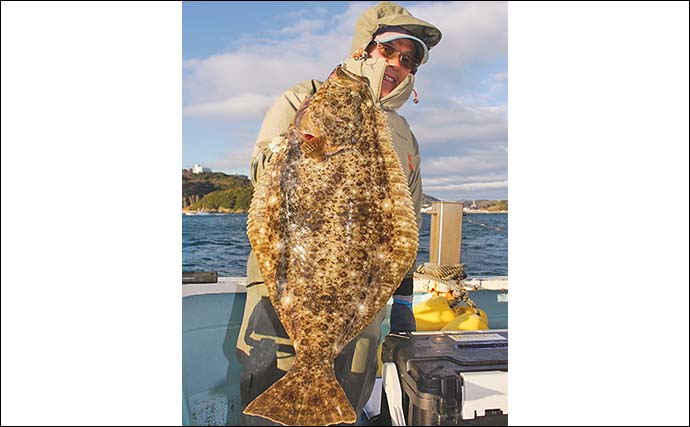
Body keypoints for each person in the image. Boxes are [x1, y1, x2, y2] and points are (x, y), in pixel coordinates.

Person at [236, 2, 441, 425]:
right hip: (287, 289)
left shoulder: (404, 136)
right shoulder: (304, 97)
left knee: (342, 409)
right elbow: (260, 170)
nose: (398, 65)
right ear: (366, 49)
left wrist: (401, 299)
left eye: (410, 60)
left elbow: (407, 226)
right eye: (390, 51)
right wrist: (296, 151)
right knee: (267, 409)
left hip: (359, 312)